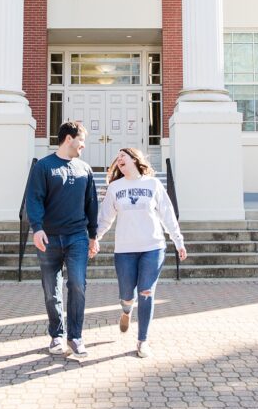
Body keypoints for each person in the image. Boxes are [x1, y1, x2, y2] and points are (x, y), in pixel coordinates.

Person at [91, 147, 187, 358]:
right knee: (127, 294)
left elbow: (167, 214)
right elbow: (105, 218)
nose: (119, 159)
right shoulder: (115, 187)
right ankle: (126, 310)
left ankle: (143, 340)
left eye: (123, 156)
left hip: (152, 248)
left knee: (146, 292)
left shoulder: (152, 184)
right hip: (125, 250)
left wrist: (178, 241)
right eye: (117, 158)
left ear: (135, 159)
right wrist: (95, 238)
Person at [25, 121, 98, 357]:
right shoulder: (44, 167)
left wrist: (93, 236)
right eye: (81, 140)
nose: (83, 146)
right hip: (49, 238)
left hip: (77, 236)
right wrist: (36, 228)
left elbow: (91, 204)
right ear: (69, 138)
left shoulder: (85, 169)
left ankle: (75, 337)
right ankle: (57, 335)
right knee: (51, 290)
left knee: (77, 284)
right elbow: (34, 199)